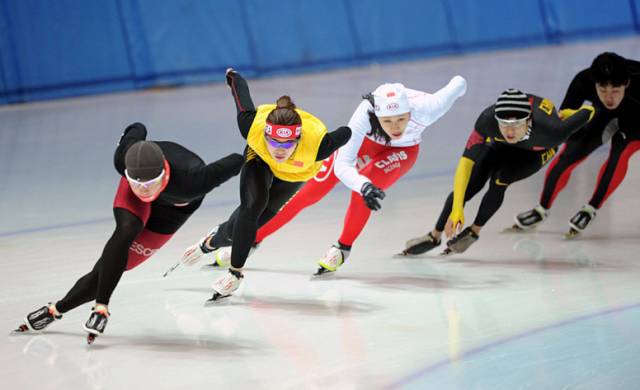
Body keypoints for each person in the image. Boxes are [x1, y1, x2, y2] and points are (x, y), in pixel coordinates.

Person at [206, 75, 468, 275]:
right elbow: (343, 165)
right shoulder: (364, 114)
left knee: (363, 191)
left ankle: (343, 247)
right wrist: (362, 183)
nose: (396, 127)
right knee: (307, 193)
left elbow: (459, 83)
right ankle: (252, 240)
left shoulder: (430, 107)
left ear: (410, 111)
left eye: (401, 119)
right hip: (366, 142)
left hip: (403, 152)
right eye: (388, 121)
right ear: (376, 115)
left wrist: (365, 186)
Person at [16, 123, 244, 342]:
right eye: (138, 183)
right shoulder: (123, 160)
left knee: (114, 268)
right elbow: (137, 127)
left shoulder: (193, 180)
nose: (145, 191)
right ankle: (101, 308)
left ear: (164, 174)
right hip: (133, 189)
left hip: (173, 210)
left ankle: (56, 309)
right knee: (125, 232)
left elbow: (238, 160)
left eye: (151, 183)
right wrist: (132, 149)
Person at [180, 69, 351, 300]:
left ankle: (210, 242)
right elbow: (241, 97)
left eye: (287, 143)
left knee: (234, 232)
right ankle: (235, 274)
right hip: (259, 159)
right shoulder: (252, 127)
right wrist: (234, 77)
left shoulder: (319, 144)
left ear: (298, 139)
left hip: (293, 175)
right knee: (252, 207)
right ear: (266, 135)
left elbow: (348, 132)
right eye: (273, 141)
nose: (279, 149)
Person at [403, 89, 594, 255]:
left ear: (528, 120)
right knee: (472, 183)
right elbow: (465, 164)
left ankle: (474, 231)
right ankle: (434, 235)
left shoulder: (553, 131)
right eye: (504, 124)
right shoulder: (487, 120)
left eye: (516, 125)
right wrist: (457, 209)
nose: (510, 132)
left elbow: (590, 110)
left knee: (501, 179)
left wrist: (573, 113)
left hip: (535, 151)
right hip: (499, 145)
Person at [511, 52, 640, 237]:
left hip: (637, 123)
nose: (609, 98)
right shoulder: (583, 80)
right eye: (603, 91)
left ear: (626, 84)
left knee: (620, 152)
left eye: (615, 91)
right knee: (571, 152)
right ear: (595, 84)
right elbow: (563, 118)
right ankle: (541, 208)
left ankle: (591, 208)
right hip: (603, 116)